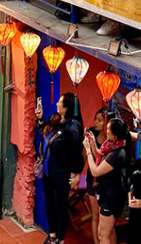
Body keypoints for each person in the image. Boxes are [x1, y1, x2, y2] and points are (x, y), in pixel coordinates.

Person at [36, 93, 84, 244]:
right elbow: (44, 131)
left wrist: (76, 173)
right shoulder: (56, 119)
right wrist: (40, 119)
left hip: (61, 173)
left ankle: (61, 239)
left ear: (67, 107)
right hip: (47, 170)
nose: (57, 104)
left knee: (60, 206)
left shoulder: (73, 126)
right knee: (49, 203)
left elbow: (76, 150)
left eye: (60, 102)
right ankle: (52, 235)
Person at [85, 117, 130, 244]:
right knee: (109, 232)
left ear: (115, 135)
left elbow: (96, 171)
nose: (106, 130)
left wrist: (88, 151)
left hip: (111, 197)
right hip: (106, 193)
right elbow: (100, 155)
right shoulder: (111, 146)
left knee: (102, 235)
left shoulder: (117, 154)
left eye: (109, 129)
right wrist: (93, 143)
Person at [84, 108, 115, 244]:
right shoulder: (92, 133)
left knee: (107, 220)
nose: (96, 122)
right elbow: (85, 155)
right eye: (96, 119)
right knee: (95, 215)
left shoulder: (115, 141)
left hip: (107, 183)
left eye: (100, 120)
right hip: (93, 179)